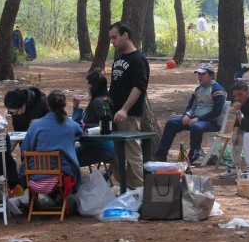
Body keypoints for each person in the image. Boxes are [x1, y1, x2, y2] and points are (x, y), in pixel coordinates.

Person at [153, 63, 227, 163]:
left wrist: (198, 119)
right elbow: (191, 106)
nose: (199, 77)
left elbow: (217, 112)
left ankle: (194, 153)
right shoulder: (198, 89)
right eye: (199, 74)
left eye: (202, 74)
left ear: (211, 75)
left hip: (212, 122)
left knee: (196, 127)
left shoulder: (218, 90)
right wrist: (187, 114)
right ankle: (160, 155)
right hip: (195, 119)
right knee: (171, 123)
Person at [108, 22, 150, 189]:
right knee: (116, 156)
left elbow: (139, 87)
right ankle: (126, 189)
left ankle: (140, 191)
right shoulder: (118, 59)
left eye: (114, 37)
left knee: (132, 154)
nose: (112, 41)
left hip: (129, 114)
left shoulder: (138, 60)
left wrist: (125, 109)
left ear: (125, 35)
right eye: (111, 38)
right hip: (113, 114)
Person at [21, 90, 83, 194]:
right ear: (63, 104)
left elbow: (24, 150)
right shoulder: (70, 125)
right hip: (60, 176)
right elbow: (79, 129)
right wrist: (76, 108)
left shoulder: (35, 125)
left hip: (34, 177)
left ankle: (37, 202)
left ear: (48, 105)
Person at [72, 72, 115, 168]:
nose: (87, 87)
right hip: (92, 147)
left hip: (102, 148)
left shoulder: (98, 102)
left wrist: (84, 126)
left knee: (65, 158)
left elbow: (106, 125)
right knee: (63, 153)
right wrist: (76, 107)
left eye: (88, 84)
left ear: (92, 86)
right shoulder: (98, 101)